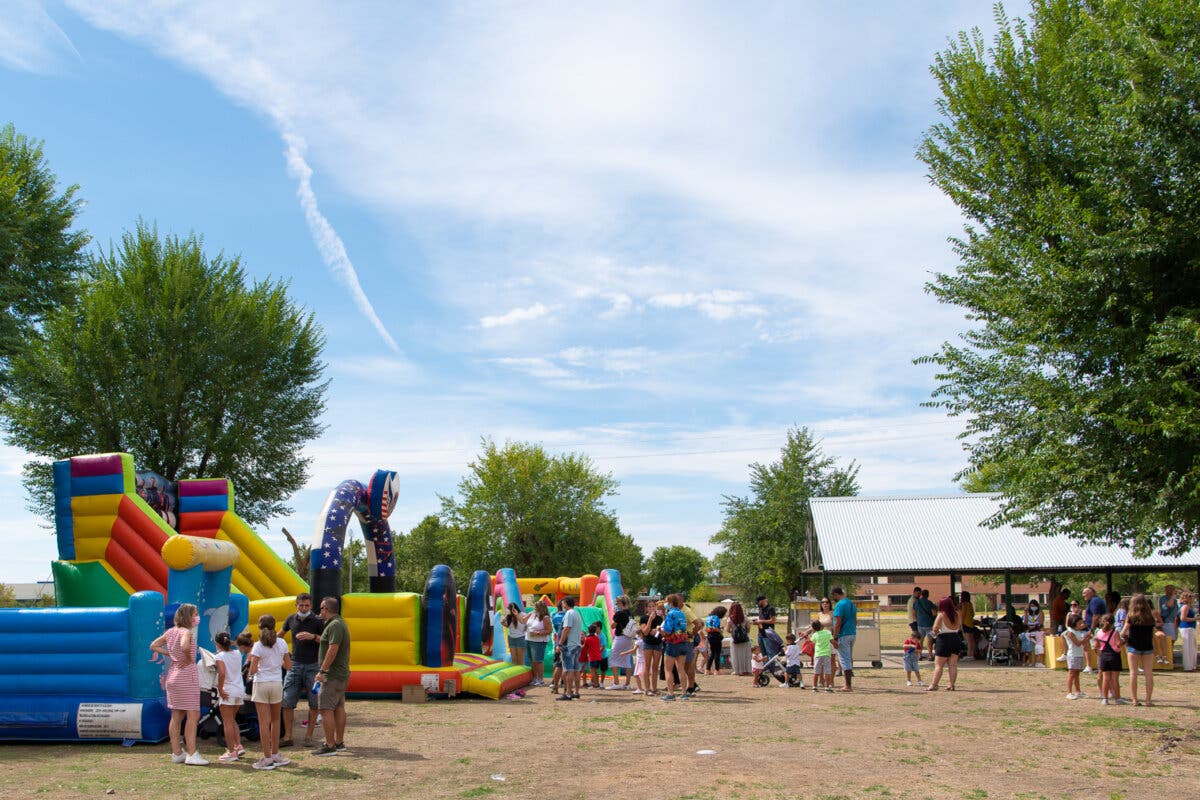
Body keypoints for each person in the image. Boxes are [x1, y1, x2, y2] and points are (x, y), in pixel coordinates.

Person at [149, 602, 207, 766]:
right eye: (195, 614)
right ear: (188, 617)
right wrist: (188, 658)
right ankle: (192, 752)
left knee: (176, 715)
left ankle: (176, 752)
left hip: (173, 676)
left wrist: (170, 654)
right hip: (186, 676)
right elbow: (184, 646)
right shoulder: (186, 632)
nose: (197, 617)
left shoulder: (170, 632)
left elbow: (153, 645)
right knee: (193, 715)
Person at [280, 592, 324, 748]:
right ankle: (288, 736)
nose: (304, 608)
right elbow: (279, 635)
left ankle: (309, 736)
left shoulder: (318, 621)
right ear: (296, 605)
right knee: (287, 701)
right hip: (294, 664)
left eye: (306, 605)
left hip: (313, 665)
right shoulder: (291, 619)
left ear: (311, 606)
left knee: (314, 703)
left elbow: (326, 641)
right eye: (301, 605)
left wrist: (312, 637)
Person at [248, 614, 290, 770]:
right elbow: (288, 665)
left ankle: (266, 758)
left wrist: (254, 668)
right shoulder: (282, 642)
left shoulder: (258, 645)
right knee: (275, 720)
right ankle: (275, 754)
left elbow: (252, 669)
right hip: (277, 682)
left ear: (259, 626)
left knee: (263, 723)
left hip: (262, 683)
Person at [312, 596, 351, 755]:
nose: (320, 611)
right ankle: (339, 742)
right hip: (340, 674)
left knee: (325, 708)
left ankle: (329, 745)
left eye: (321, 608)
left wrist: (322, 670)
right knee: (339, 707)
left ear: (326, 609)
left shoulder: (334, 625)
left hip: (332, 675)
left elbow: (332, 648)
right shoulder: (339, 624)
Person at [213, 631, 245, 762]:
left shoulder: (219, 656)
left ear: (217, 643)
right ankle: (238, 746)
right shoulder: (237, 653)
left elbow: (221, 673)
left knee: (227, 722)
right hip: (239, 690)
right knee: (232, 720)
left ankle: (231, 751)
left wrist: (220, 688)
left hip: (228, 690)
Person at [1122, 593, 1157, 706]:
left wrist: (1126, 639)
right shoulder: (1150, 616)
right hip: (1147, 646)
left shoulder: (1130, 616)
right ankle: (1148, 700)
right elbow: (1153, 633)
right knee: (1148, 674)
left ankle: (1135, 700)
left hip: (1133, 646)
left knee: (1133, 673)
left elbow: (1123, 632)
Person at [660, 593, 690, 701]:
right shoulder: (681, 613)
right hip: (682, 642)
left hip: (672, 643)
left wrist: (660, 630)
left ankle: (671, 693)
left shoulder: (670, 614)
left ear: (671, 603)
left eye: (666, 601)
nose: (665, 603)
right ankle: (684, 693)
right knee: (681, 669)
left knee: (668, 669)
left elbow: (667, 630)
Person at [927, 596, 961, 691]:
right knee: (953, 664)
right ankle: (951, 685)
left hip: (944, 639)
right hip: (955, 638)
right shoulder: (957, 614)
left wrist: (935, 633)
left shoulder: (941, 615)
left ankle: (934, 685)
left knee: (938, 665)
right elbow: (960, 626)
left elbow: (935, 628)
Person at [1092, 614, 1126, 705]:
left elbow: (1096, 646)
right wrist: (1124, 641)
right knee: (1115, 679)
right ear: (1113, 623)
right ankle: (1118, 698)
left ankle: (1105, 698)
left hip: (1103, 656)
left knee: (1106, 678)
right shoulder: (1115, 632)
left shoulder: (1098, 632)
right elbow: (1118, 644)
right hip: (1114, 656)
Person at [555, 596, 583, 701]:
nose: (562, 605)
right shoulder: (576, 613)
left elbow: (566, 629)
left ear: (566, 603)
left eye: (563, 603)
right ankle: (576, 691)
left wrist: (560, 644)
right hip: (576, 645)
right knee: (576, 669)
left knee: (568, 670)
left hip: (569, 646)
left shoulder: (569, 614)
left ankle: (568, 693)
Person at [830, 586, 857, 692]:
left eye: (833, 596)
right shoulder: (851, 603)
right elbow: (855, 620)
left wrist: (835, 637)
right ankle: (848, 684)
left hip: (843, 635)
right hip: (852, 633)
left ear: (836, 594)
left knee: (844, 659)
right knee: (848, 658)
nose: (833, 598)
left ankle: (848, 685)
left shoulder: (840, 605)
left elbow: (838, 623)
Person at [607, 595, 635, 690]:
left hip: (620, 637)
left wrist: (615, 614)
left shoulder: (619, 614)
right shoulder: (630, 613)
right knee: (627, 660)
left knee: (613, 658)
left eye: (617, 603)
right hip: (628, 638)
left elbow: (613, 626)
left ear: (621, 603)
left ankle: (616, 682)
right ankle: (627, 684)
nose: (617, 604)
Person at [639, 598, 664, 696]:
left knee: (655, 667)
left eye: (653, 606)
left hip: (657, 643)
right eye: (649, 606)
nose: (651, 608)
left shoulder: (659, 618)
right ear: (646, 608)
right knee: (647, 665)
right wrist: (650, 619)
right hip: (648, 643)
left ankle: (654, 688)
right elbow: (645, 631)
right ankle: (647, 689)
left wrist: (657, 631)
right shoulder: (643, 618)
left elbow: (662, 631)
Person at [524, 600, 553, 687]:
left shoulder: (545, 618)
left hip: (539, 642)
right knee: (532, 660)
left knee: (538, 661)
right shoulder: (533, 615)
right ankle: (535, 678)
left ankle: (540, 679)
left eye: (536, 607)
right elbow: (523, 621)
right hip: (529, 639)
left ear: (540, 608)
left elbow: (549, 630)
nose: (534, 609)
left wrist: (537, 633)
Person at [1062, 613, 1090, 700]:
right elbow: (1077, 643)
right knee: (1071, 674)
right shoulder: (1070, 632)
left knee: (1077, 674)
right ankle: (1069, 692)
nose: (1082, 625)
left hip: (1079, 654)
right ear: (1074, 624)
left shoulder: (1077, 632)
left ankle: (1078, 691)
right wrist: (1085, 638)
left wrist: (1087, 638)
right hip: (1073, 655)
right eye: (1079, 623)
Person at [726, 602, 752, 676]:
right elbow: (748, 629)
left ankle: (737, 670)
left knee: (735, 655)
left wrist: (734, 631)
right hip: (745, 639)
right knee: (745, 655)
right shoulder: (745, 617)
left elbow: (728, 630)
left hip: (734, 639)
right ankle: (746, 670)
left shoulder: (730, 618)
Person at [809, 619, 833, 692]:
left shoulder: (815, 635)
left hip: (818, 654)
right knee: (827, 671)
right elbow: (832, 640)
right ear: (821, 626)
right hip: (826, 654)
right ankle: (827, 687)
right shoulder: (827, 632)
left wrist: (813, 632)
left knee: (816, 671)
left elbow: (812, 641)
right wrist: (836, 645)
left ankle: (814, 687)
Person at [1157, 586, 1179, 666]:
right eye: (1171, 589)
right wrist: (1173, 596)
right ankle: (1168, 658)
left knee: (1173, 641)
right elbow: (1169, 605)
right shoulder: (1164, 598)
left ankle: (1171, 657)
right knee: (1169, 641)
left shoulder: (1175, 600)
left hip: (1173, 622)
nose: (1173, 590)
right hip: (1167, 622)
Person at [914, 589, 937, 661]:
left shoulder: (916, 602)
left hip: (920, 624)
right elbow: (934, 613)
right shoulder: (930, 603)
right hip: (929, 624)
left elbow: (914, 613)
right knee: (929, 640)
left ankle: (919, 655)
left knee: (920, 640)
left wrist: (918, 620)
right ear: (928, 595)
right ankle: (930, 655)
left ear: (921, 594)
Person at [704, 605, 726, 675]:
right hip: (716, 636)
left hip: (710, 636)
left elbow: (708, 628)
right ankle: (717, 670)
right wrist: (720, 631)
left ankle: (707, 669)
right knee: (717, 653)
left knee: (712, 653)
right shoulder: (717, 618)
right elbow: (714, 628)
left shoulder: (709, 617)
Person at [550, 600, 566, 694]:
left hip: (557, 643)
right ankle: (565, 686)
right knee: (564, 666)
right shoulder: (567, 616)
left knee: (557, 665)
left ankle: (555, 685)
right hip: (564, 643)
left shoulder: (554, 616)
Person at [504, 602, 527, 667]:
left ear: (513, 609)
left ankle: (522, 674)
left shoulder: (522, 614)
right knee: (513, 658)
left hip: (520, 638)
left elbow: (526, 623)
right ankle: (516, 675)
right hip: (511, 638)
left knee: (520, 658)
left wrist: (526, 628)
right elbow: (510, 627)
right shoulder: (508, 616)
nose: (507, 610)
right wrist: (503, 623)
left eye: (509, 608)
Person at [1023, 600, 1045, 667]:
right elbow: (1025, 623)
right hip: (1029, 631)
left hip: (1037, 630)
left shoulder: (1040, 613)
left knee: (1039, 645)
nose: (1033, 607)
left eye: (1034, 606)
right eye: (1032, 606)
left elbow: (1040, 623)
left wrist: (1034, 626)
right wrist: (1025, 613)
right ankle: (1028, 661)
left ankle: (1038, 662)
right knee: (1026, 640)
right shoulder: (1027, 613)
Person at [1179, 591, 1197, 672]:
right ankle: (1188, 666)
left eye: (1192, 596)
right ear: (1185, 597)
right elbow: (1183, 618)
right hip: (1186, 628)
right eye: (1190, 596)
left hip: (1190, 627)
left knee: (1192, 647)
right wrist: (1195, 619)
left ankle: (1192, 665)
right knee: (1187, 647)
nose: (1191, 598)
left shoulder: (1188, 606)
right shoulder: (1185, 607)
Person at [582, 622, 604, 688]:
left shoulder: (588, 639)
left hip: (593, 657)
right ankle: (597, 683)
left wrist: (578, 646)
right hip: (598, 656)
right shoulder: (596, 637)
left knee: (592, 671)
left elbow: (584, 647)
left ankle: (596, 684)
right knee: (596, 671)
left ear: (589, 631)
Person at [959, 591, 977, 660]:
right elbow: (973, 614)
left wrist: (961, 624)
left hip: (965, 623)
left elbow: (963, 614)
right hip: (970, 623)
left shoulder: (964, 604)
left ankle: (969, 655)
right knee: (972, 639)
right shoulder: (970, 604)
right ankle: (972, 654)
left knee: (968, 640)